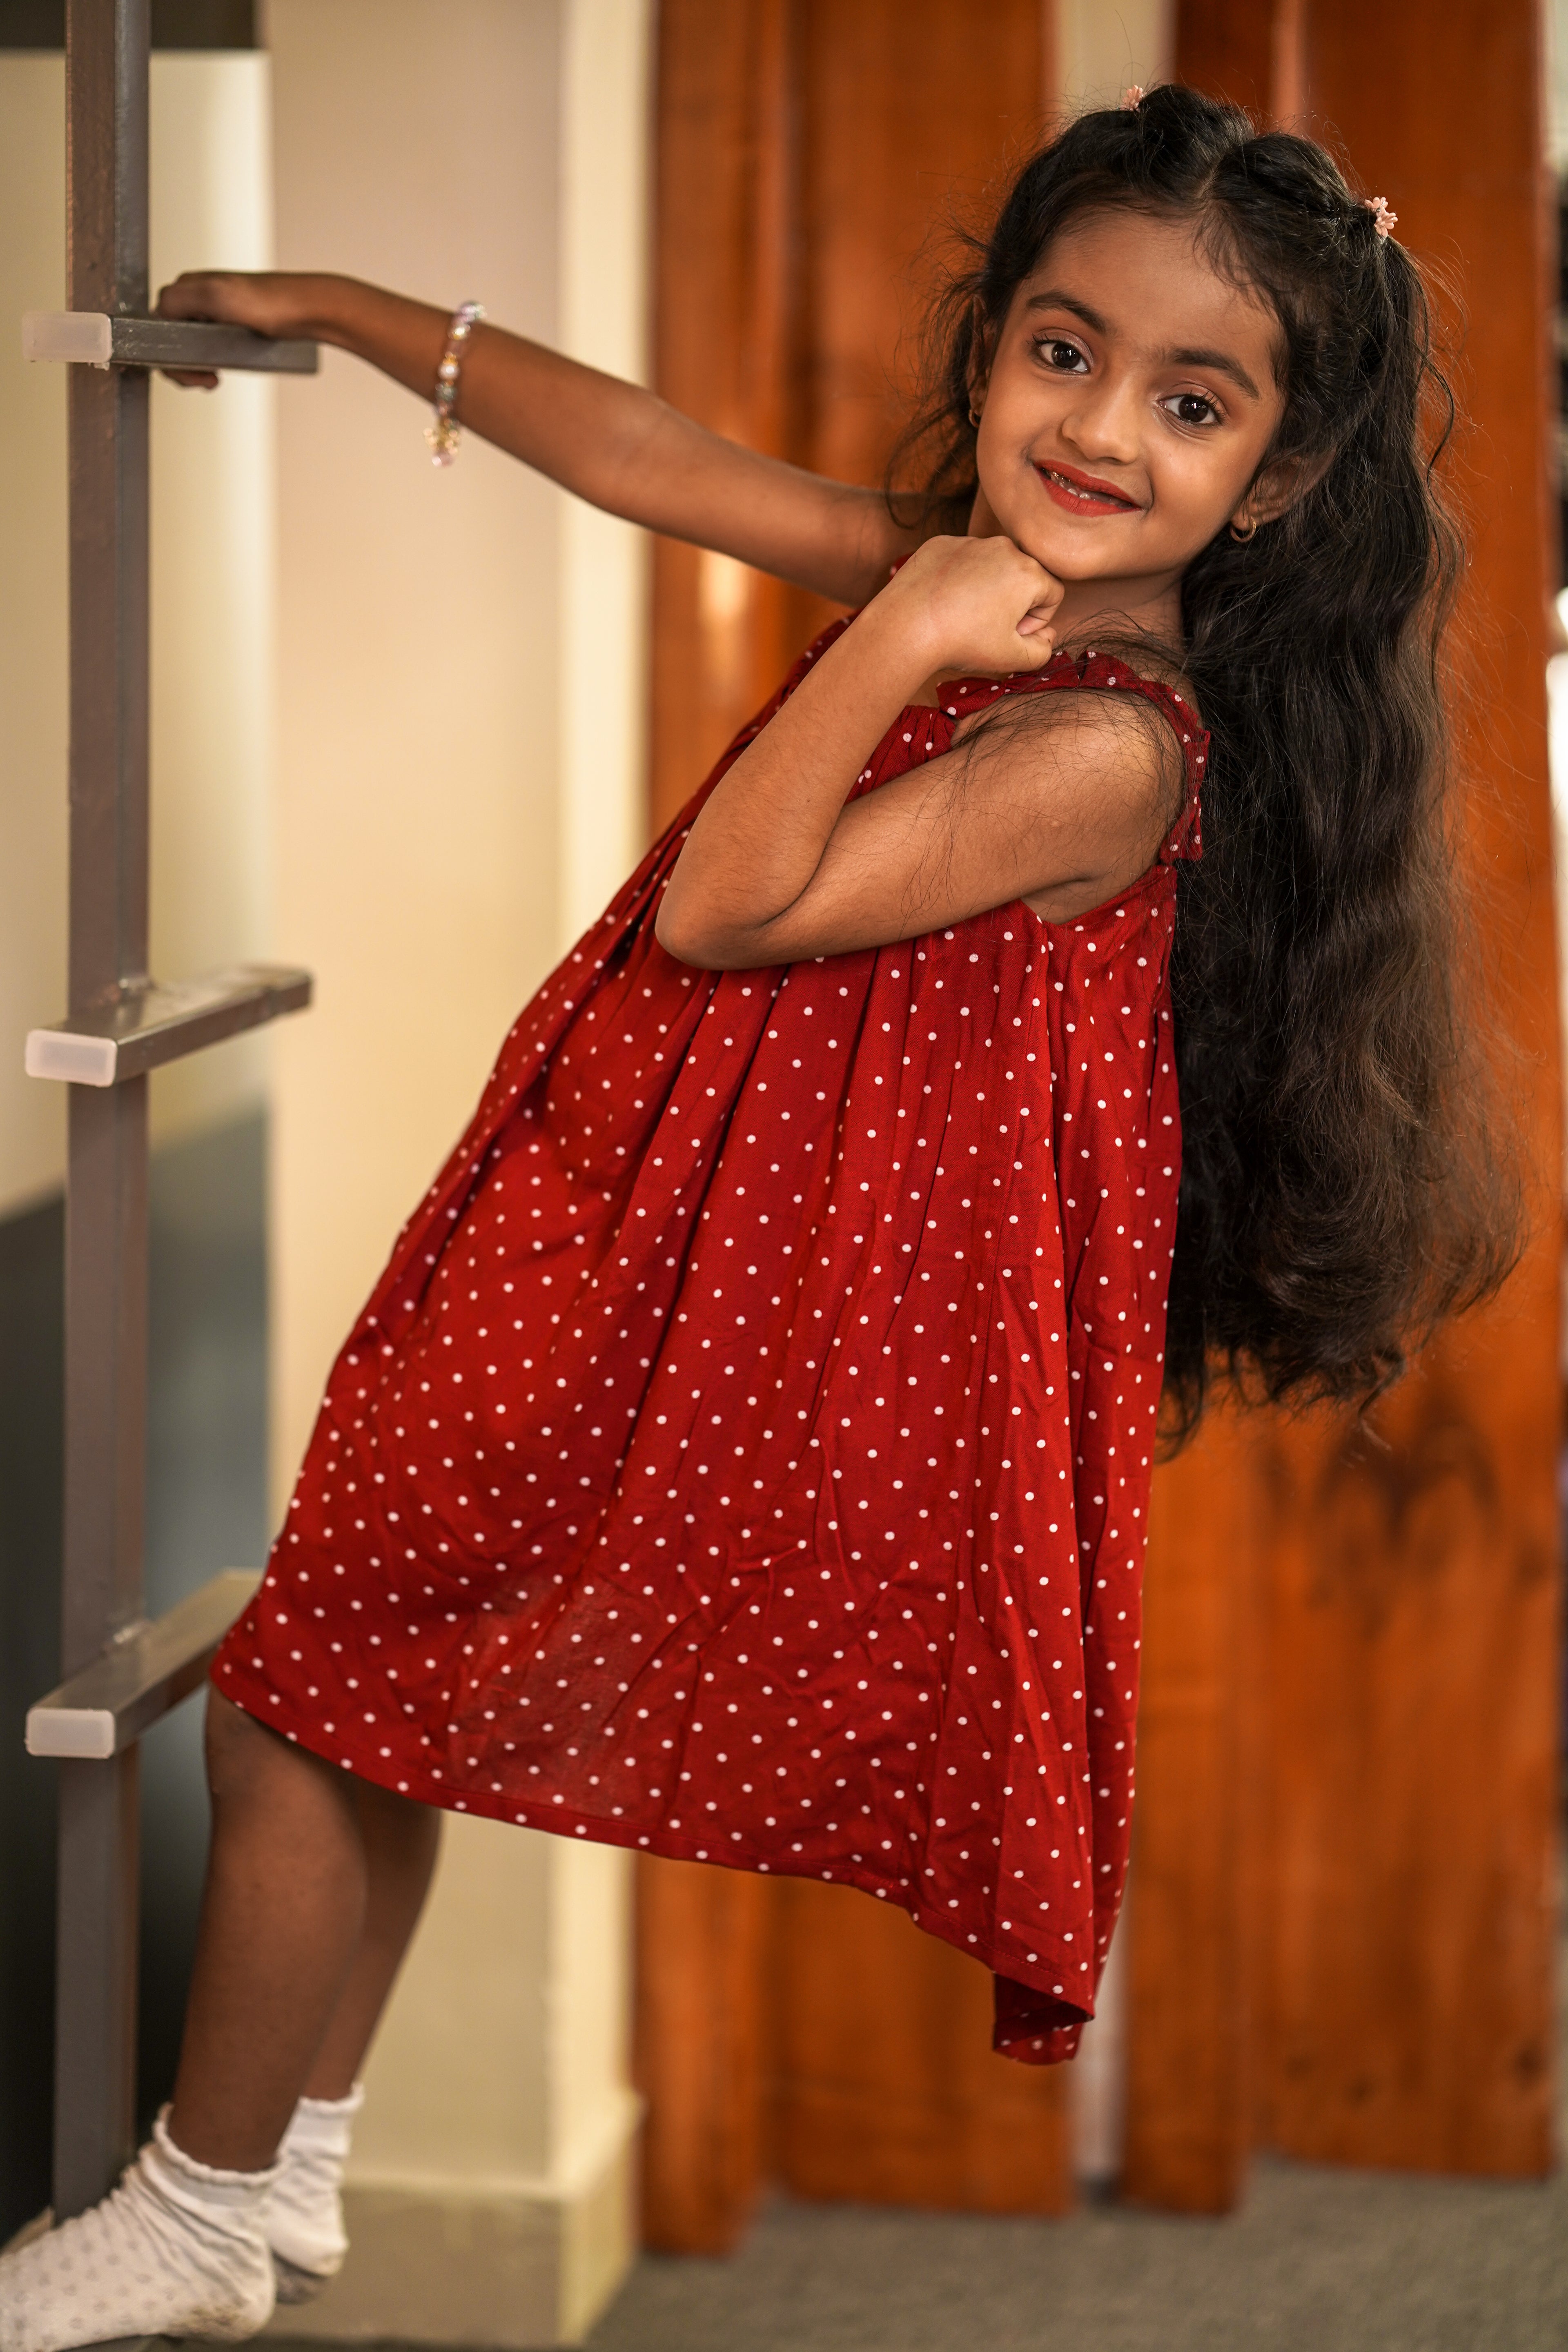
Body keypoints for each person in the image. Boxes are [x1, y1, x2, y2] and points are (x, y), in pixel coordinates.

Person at [0, 83, 1517, 2349]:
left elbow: (730, 913)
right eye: (1063, 350)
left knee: (313, 1696)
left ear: (1278, 480)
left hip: (752, 1317)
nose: (1101, 430)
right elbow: (649, 459)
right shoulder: (989, 581)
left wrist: (901, 634)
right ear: (994, 339)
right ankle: (284, 2166)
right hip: (655, 1232)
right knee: (357, 1677)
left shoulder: (1104, 737)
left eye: (1192, 403)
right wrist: (339, 305)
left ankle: (206, 2196)